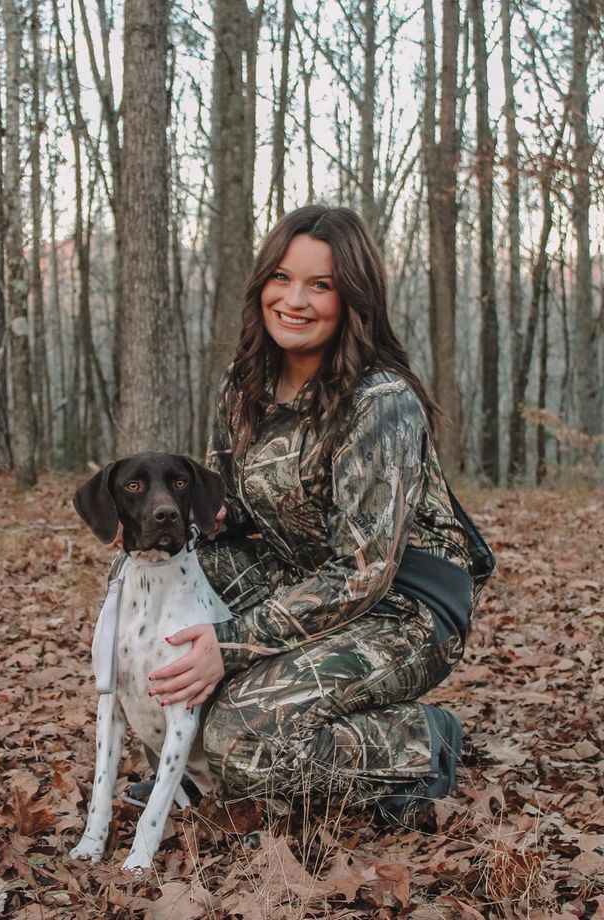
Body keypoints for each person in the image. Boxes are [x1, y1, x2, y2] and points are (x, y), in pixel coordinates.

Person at [147, 205, 495, 820]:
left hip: (403, 609)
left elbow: (362, 572)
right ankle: (179, 762)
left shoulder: (381, 402)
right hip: (299, 578)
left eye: (321, 285)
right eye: (281, 278)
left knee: (241, 738)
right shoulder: (244, 383)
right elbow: (219, 504)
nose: (294, 300)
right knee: (158, 578)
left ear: (353, 298)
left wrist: (232, 643)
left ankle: (422, 742)